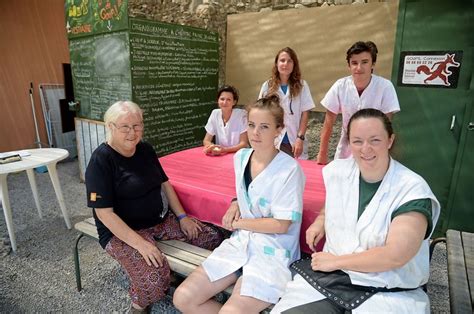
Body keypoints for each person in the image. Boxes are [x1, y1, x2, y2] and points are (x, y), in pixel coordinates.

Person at [272, 108, 440, 313]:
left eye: (375, 140)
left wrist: (335, 261)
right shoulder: (339, 172)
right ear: (349, 143)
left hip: (389, 288)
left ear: (390, 141)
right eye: (357, 141)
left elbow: (396, 255)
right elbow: (336, 201)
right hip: (335, 280)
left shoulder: (411, 190)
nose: (365, 149)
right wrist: (321, 220)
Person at [85, 101, 223, 313]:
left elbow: (165, 184)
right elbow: (104, 215)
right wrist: (141, 244)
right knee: (154, 282)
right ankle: (138, 306)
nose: (132, 132)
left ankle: (174, 274)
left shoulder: (145, 149)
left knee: (210, 237)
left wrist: (182, 217)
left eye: (137, 125)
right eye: (125, 127)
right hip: (124, 233)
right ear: (110, 127)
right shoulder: (100, 161)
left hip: (159, 221)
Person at [173, 95, 306, 313]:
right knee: (183, 298)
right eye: (252, 125)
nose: (255, 132)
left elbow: (282, 225)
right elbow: (248, 190)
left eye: (264, 127)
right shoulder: (241, 157)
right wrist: (235, 203)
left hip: (272, 250)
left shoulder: (290, 170)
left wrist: (239, 223)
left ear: (279, 130)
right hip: (241, 243)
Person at [316, 41, 400, 165]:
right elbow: (328, 123)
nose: (359, 68)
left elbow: (385, 126)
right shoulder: (340, 86)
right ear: (349, 66)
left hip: (373, 147)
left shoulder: (385, 87)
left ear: (373, 64)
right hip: (346, 146)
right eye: (354, 63)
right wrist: (322, 153)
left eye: (364, 62)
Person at [258, 47, 315, 159]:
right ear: (276, 63)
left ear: (294, 64)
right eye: (282, 60)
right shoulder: (267, 86)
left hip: (294, 140)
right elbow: (261, 112)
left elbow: (305, 113)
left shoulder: (302, 85)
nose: (286, 64)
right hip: (272, 139)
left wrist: (300, 138)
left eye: (290, 61)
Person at [203, 85, 248, 156]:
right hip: (221, 156)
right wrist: (212, 147)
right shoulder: (215, 113)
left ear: (234, 102)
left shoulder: (241, 115)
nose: (224, 102)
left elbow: (244, 144)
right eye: (222, 99)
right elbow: (206, 140)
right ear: (218, 100)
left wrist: (225, 150)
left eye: (228, 99)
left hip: (239, 155)